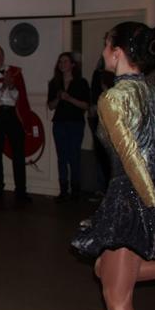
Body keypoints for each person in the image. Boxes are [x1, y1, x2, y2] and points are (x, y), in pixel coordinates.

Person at [71, 22, 155, 310]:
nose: (103, 52)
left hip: (131, 196)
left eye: (106, 45)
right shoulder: (151, 91)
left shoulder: (113, 98)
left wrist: (152, 205)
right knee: (104, 269)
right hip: (140, 190)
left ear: (117, 52)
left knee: (116, 296)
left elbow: (131, 157)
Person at [0, 35, 33, 202]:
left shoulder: (15, 72)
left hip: (13, 115)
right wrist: (2, 88)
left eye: (1, 55)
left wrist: (11, 85)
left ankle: (21, 191)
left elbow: (21, 97)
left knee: (18, 154)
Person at [47, 52, 90, 202]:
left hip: (75, 123)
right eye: (60, 62)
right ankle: (63, 191)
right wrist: (59, 98)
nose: (62, 64)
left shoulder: (81, 82)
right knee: (62, 158)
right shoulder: (54, 83)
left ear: (72, 65)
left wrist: (69, 98)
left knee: (74, 157)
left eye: (65, 61)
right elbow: (50, 106)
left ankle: (75, 191)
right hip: (59, 123)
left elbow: (86, 105)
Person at [88, 56, 115, 199]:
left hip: (113, 118)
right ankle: (102, 189)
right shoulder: (98, 73)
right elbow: (94, 93)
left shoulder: (119, 73)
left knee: (113, 157)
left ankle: (112, 192)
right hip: (99, 117)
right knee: (100, 154)